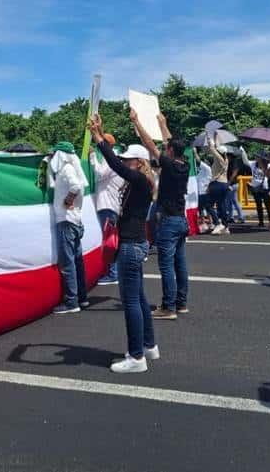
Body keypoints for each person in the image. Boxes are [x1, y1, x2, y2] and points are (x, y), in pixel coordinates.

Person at [89, 115, 159, 373]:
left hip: (130, 245)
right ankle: (149, 346)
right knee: (139, 298)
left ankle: (136, 356)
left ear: (138, 162)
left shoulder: (140, 181)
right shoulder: (142, 182)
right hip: (136, 242)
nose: (124, 161)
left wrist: (99, 138)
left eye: (129, 158)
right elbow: (117, 165)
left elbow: (114, 165)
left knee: (130, 301)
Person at [131, 109, 190, 319]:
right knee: (180, 263)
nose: (165, 148)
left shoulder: (169, 165)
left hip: (169, 221)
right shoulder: (184, 164)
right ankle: (181, 303)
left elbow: (150, 144)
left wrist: (137, 122)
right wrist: (163, 124)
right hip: (181, 220)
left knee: (166, 265)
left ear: (171, 152)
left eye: (168, 148)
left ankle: (168, 307)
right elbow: (169, 142)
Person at [45, 141, 89, 312]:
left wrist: (67, 200)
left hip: (66, 221)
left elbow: (75, 186)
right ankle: (82, 297)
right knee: (77, 262)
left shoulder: (65, 169)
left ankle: (71, 302)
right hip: (76, 220)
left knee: (68, 263)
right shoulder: (74, 167)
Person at [92, 133, 126, 285]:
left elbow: (99, 174)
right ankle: (114, 271)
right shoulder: (115, 159)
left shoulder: (112, 160)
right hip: (112, 205)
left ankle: (113, 273)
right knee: (112, 240)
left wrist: (92, 158)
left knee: (109, 242)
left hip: (107, 205)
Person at [203, 137, 231, 235]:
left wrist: (209, 137)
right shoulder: (226, 159)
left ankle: (217, 223)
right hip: (224, 184)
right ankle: (226, 226)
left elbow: (212, 148)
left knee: (208, 205)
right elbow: (217, 148)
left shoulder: (219, 159)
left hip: (217, 184)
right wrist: (216, 136)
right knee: (221, 205)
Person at [240, 147, 270, 228]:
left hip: (265, 188)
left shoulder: (268, 165)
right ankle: (261, 222)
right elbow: (246, 161)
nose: (256, 158)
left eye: (258, 157)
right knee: (258, 206)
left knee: (268, 205)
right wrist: (243, 152)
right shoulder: (253, 164)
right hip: (255, 188)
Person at [194, 148, 214, 232]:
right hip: (199, 191)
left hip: (205, 191)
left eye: (206, 160)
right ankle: (203, 223)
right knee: (200, 209)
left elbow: (198, 160)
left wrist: (195, 153)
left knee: (208, 208)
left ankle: (211, 223)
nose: (204, 161)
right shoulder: (201, 169)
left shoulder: (207, 168)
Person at [225, 154, 245, 224]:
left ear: (230, 156)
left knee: (231, 201)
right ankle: (233, 217)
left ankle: (239, 216)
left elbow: (234, 173)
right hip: (234, 184)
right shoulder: (232, 162)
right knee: (232, 201)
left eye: (227, 156)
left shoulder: (234, 163)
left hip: (232, 184)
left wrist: (228, 182)